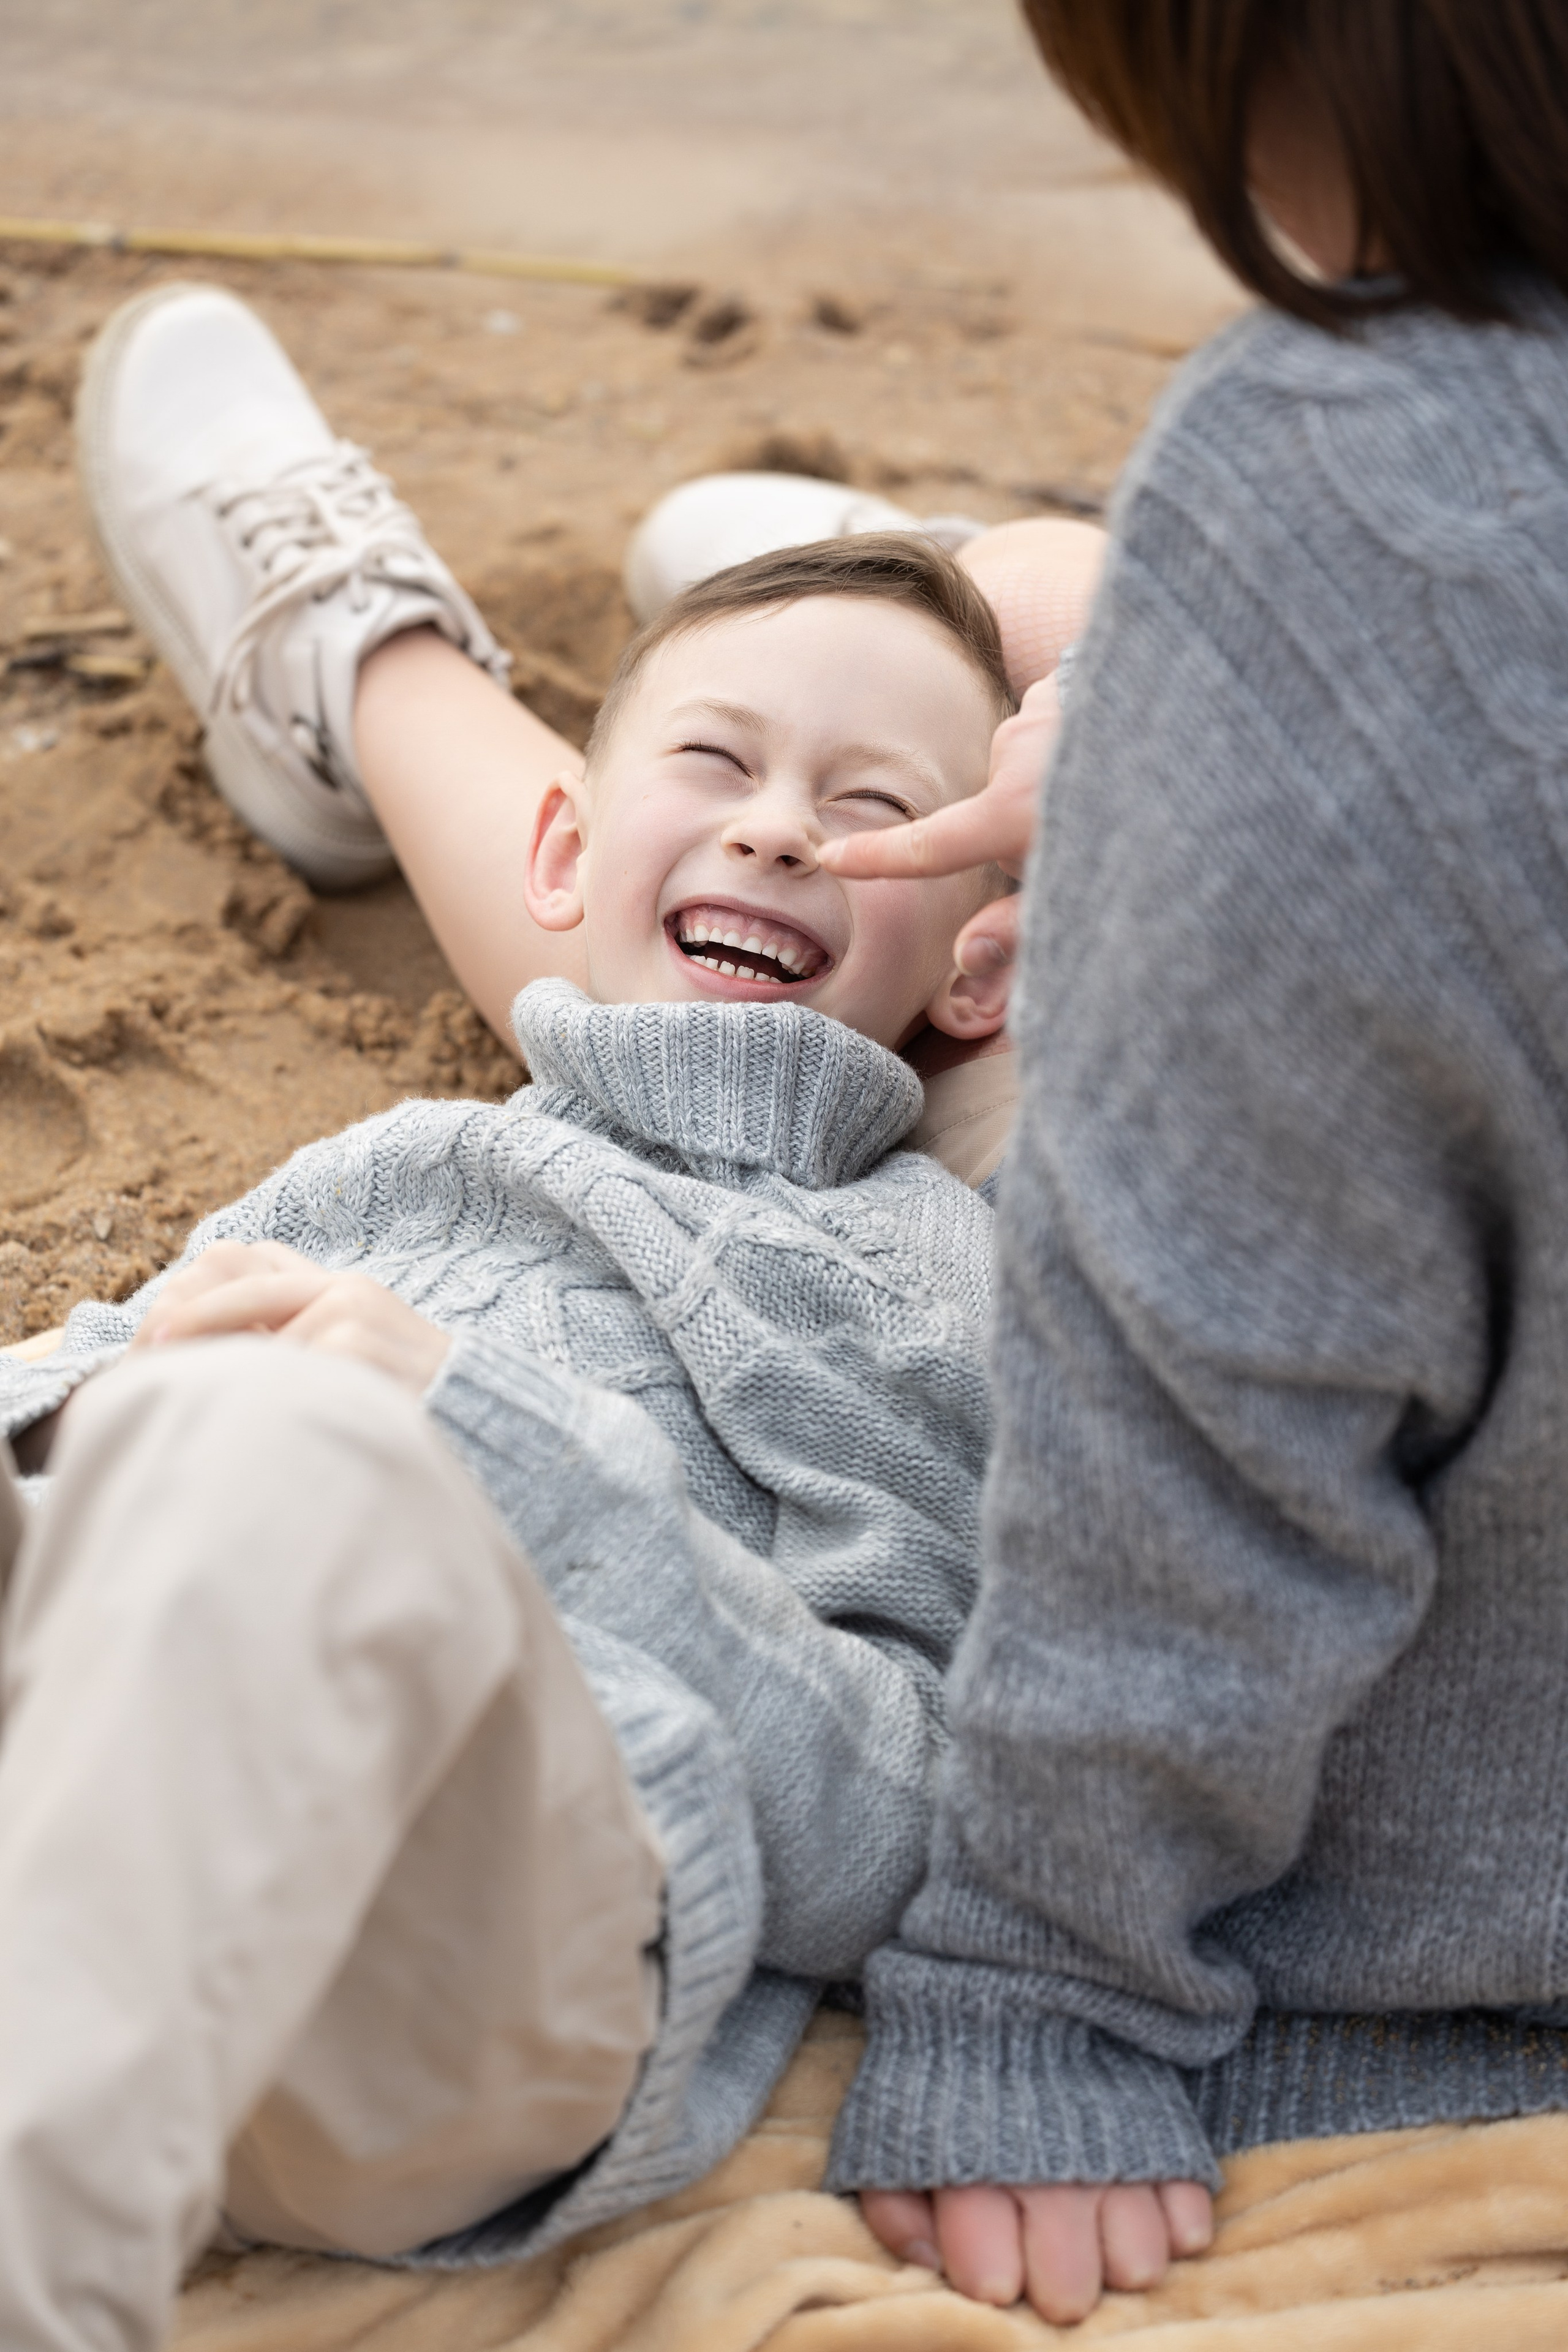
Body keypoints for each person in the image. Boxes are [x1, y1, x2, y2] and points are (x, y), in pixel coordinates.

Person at [0, 281, 1042, 2345]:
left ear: (980, 977)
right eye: (721, 762)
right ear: (561, 841)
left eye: (865, 807)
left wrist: (471, 1428)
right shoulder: (381, 1163)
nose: (771, 823)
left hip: (483, 1969)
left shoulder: (935, 1283)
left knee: (271, 1446)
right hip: (125, 1795)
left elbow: (908, 1811)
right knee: (170, 1430)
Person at [803, 0, 1568, 2328]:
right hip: (1262, 715)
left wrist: (1048, 1992)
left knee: (745, 913)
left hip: (1431, 1917)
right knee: (986, 696)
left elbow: (1202, 1438)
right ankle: (907, 607)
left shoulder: (1334, 487)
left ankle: (365, 665)